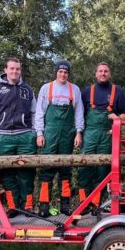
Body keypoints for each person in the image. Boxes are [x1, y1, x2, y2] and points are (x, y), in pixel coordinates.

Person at [0, 57, 37, 213]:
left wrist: (34, 132)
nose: (15, 71)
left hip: (25, 136)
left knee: (27, 172)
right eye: (12, 68)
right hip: (3, 136)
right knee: (7, 173)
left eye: (17, 69)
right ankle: (13, 207)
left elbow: (35, 113)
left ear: (20, 70)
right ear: (5, 70)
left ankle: (27, 206)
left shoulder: (27, 90)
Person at [34, 60, 84, 217]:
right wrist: (39, 133)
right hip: (50, 134)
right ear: (56, 72)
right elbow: (40, 112)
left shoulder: (74, 89)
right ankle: (43, 207)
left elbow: (78, 112)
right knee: (46, 170)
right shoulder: (46, 88)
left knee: (65, 169)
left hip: (68, 135)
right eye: (60, 71)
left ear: (68, 74)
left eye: (66, 72)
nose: (63, 74)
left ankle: (65, 206)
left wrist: (79, 132)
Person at [78, 62, 125, 211]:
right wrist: (79, 133)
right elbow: (79, 115)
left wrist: (117, 123)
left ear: (110, 74)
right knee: (84, 167)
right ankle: (83, 202)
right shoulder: (87, 92)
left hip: (107, 135)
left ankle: (96, 203)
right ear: (96, 74)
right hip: (89, 134)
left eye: (106, 71)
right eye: (100, 71)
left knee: (102, 169)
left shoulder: (117, 91)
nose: (103, 74)